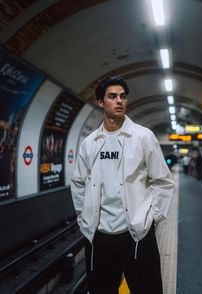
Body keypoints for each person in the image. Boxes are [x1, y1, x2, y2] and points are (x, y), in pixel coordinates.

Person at [71, 76, 175, 294]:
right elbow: (79, 184)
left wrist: (151, 218)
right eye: (112, 96)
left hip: (136, 235)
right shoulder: (89, 144)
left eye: (123, 96)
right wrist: (85, 219)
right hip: (99, 237)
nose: (119, 101)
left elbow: (163, 181)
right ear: (101, 102)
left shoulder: (143, 137)